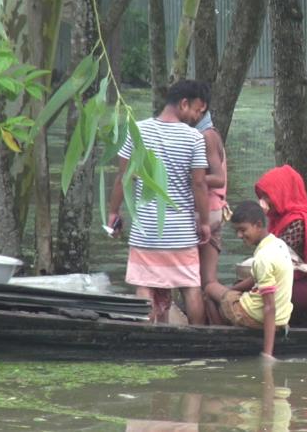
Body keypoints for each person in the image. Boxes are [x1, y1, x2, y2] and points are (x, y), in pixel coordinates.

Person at [107, 80, 211, 324]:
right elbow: (199, 185)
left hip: (146, 230)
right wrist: (204, 222)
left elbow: (123, 178)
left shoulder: (137, 131)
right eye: (197, 110)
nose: (198, 117)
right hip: (180, 232)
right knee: (190, 286)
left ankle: (147, 342)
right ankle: (196, 341)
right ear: (183, 104)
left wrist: (113, 212)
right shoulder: (194, 138)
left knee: (144, 286)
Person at [204, 201, 293, 360]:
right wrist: (232, 290)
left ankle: (223, 339)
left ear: (258, 225)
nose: (239, 235)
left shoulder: (263, 258)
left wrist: (267, 354)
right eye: (237, 231)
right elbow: (254, 279)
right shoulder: (278, 245)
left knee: (209, 289)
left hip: (253, 315)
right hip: (282, 317)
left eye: (243, 230)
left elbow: (269, 307)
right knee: (223, 292)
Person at [254, 165, 307, 325]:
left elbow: (272, 257)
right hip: (287, 280)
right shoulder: (277, 219)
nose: (264, 202)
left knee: (255, 295)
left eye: (268, 196)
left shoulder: (298, 221)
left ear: (282, 192)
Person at [189, 86, 228, 324]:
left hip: (208, 211)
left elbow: (218, 178)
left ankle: (204, 327)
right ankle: (218, 326)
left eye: (188, 105)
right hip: (216, 211)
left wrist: (189, 177)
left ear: (201, 106)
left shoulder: (206, 136)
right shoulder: (210, 133)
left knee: (193, 282)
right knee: (207, 282)